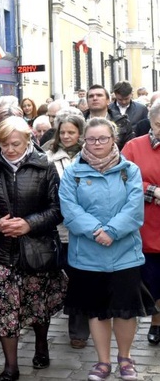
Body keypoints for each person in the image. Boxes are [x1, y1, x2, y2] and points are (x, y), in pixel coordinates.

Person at [60, 118, 156, 381]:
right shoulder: (73, 172)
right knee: (97, 310)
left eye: (103, 138)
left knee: (125, 310)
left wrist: (111, 231)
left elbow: (134, 209)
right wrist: (95, 231)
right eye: (91, 139)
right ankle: (103, 362)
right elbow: (69, 209)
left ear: (113, 139)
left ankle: (125, 358)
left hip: (125, 253)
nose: (97, 144)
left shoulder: (129, 170)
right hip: (87, 255)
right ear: (84, 141)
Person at [0, 116, 66, 381]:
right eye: (4, 144)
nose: (10, 149)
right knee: (5, 307)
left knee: (37, 304)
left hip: (35, 249)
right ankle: (10, 367)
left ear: (28, 140)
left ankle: (41, 344)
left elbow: (57, 209)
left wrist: (28, 224)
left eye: (15, 143)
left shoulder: (44, 167)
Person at [45, 111, 90, 349]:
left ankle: (78, 331)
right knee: (58, 277)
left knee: (79, 279)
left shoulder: (90, 155)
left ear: (80, 133)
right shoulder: (48, 156)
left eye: (71, 132)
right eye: (62, 132)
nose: (66, 136)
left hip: (83, 230)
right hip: (57, 229)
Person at [121, 102, 160, 348]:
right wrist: (154, 191)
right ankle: (155, 323)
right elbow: (123, 178)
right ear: (152, 123)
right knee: (152, 279)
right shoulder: (134, 146)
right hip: (146, 226)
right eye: (159, 125)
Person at [84, 84, 134, 150]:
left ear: (108, 101)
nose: (95, 98)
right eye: (91, 96)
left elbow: (129, 148)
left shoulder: (122, 122)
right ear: (87, 101)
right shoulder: (79, 122)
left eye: (99, 95)